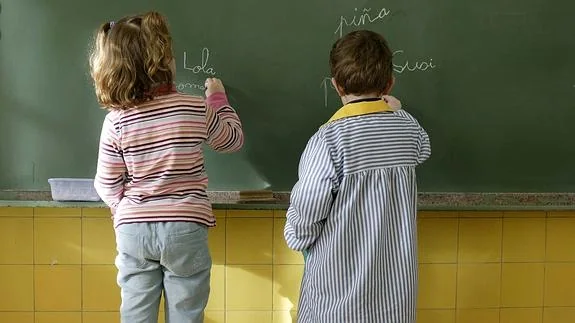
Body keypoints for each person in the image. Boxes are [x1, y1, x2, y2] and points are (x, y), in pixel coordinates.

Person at [90, 11, 243, 323]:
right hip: (185, 227)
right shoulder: (195, 108)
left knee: (135, 312)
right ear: (162, 62)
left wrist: (122, 208)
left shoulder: (116, 121)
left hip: (134, 230)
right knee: (187, 313)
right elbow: (232, 140)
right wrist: (217, 100)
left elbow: (106, 184)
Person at [284, 30, 431, 323]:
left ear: (336, 85)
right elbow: (422, 147)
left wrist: (297, 236)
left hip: (338, 299)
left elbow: (309, 205)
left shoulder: (328, 140)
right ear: (389, 84)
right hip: (394, 299)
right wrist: (397, 110)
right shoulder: (407, 132)